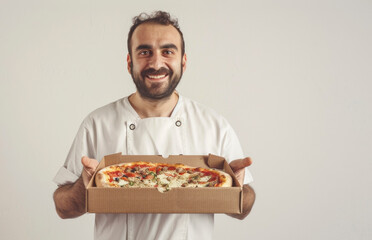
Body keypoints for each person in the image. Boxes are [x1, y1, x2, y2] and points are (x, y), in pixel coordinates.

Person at [53, 11, 255, 240]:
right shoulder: (97, 123)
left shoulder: (214, 125)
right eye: (145, 52)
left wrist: (238, 189)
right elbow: (63, 208)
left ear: (183, 62)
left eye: (167, 51)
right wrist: (84, 185)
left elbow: (244, 210)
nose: (156, 63)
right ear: (130, 62)